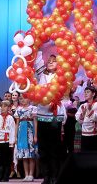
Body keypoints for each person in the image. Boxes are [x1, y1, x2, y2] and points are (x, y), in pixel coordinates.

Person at [33, 53, 66, 184]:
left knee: (54, 147)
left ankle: (55, 175)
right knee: (43, 147)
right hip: (42, 114)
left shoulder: (61, 75)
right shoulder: (42, 74)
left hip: (55, 115)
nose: (51, 62)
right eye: (49, 61)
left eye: (54, 61)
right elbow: (37, 61)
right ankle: (46, 176)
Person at [14, 96, 38, 181]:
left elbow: (35, 122)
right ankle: (26, 174)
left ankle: (31, 175)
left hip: (30, 132)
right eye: (21, 98)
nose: (22, 100)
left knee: (31, 155)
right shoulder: (19, 110)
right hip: (21, 132)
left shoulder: (33, 108)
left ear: (29, 99)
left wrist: (35, 135)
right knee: (24, 155)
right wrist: (16, 136)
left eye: (24, 98)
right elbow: (17, 124)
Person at [0, 101, 17, 182]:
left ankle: (6, 176)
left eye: (5, 106)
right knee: (0, 159)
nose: (2, 108)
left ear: (9, 108)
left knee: (7, 159)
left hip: (7, 141)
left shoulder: (10, 118)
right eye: (2, 106)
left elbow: (12, 130)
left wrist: (12, 142)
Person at [75, 86, 97, 151]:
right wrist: (82, 115)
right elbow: (77, 117)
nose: (86, 94)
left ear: (93, 94)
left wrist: (90, 110)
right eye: (85, 92)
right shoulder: (83, 105)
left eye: (88, 92)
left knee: (95, 152)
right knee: (85, 153)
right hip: (85, 133)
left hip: (95, 134)